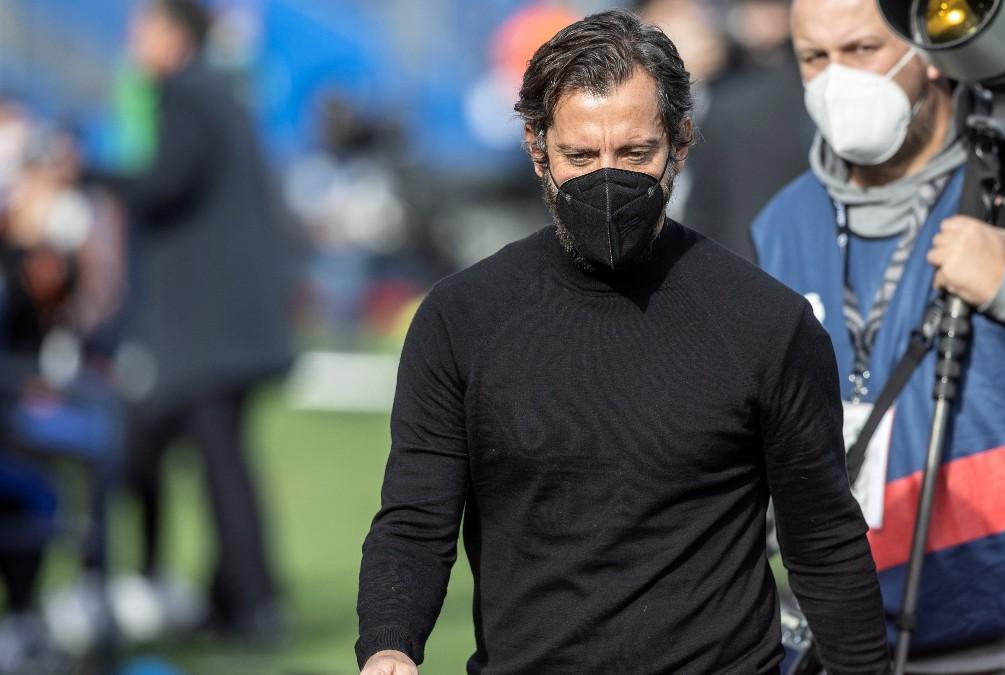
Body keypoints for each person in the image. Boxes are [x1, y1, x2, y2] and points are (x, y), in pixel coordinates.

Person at [357, 10, 890, 675]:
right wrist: (388, 645)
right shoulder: (460, 318)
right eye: (581, 156)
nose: (607, 180)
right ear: (536, 149)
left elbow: (823, 540)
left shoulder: (767, 322)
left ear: (683, 140)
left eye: (635, 153)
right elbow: (414, 520)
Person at [751, 0, 1005, 672]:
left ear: (933, 51)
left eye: (861, 50)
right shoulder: (781, 223)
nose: (836, 80)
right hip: (873, 647)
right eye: (813, 57)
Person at [89, 0, 293, 639]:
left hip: (211, 330)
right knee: (215, 464)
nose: (132, 41)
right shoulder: (220, 93)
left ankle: (252, 606)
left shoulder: (186, 95)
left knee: (216, 466)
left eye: (143, 28)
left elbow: (163, 183)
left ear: (174, 36)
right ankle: (232, 599)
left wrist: (88, 175)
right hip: (236, 323)